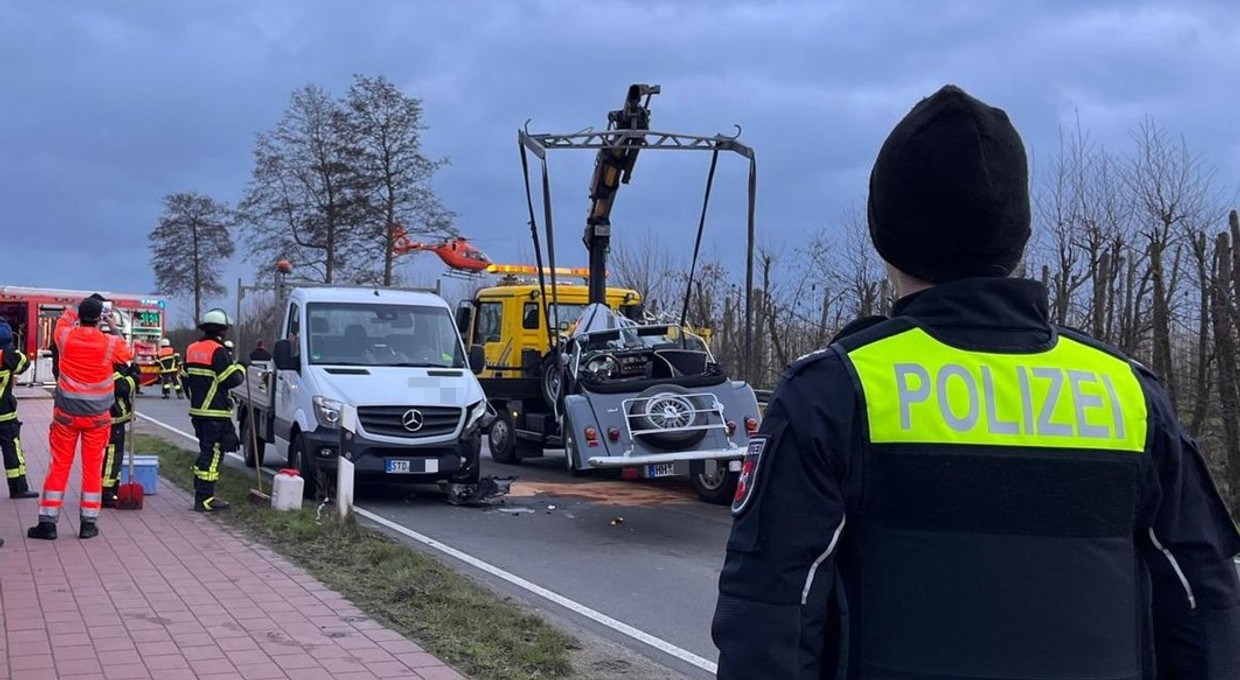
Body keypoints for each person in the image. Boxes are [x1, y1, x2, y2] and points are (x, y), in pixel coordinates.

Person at [711, 85, 1240, 679]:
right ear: (1018, 234)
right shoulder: (1131, 396)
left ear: (886, 234)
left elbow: (769, 623)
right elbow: (1206, 611)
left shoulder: (836, 391)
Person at [28, 294, 132, 540]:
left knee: (59, 466)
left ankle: (48, 523)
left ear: (80, 316)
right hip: (97, 418)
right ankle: (88, 524)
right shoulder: (109, 343)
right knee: (92, 469)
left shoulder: (65, 337)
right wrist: (114, 328)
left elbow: (64, 319)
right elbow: (125, 355)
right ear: (99, 318)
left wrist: (77, 305)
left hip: (66, 416)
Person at [182, 308, 244, 513]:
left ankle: (200, 491)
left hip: (198, 411)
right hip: (215, 412)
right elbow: (231, 380)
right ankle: (205, 498)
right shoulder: (218, 351)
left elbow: (184, 377)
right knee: (214, 453)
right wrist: (242, 367)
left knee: (205, 450)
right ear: (222, 331)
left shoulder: (191, 348)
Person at [0, 319, 39, 499]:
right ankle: (18, 488)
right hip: (5, 415)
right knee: (12, 452)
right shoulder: (10, 358)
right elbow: (25, 362)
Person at [101, 360, 139, 508]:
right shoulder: (106, 364)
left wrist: (128, 373)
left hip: (111, 419)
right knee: (112, 456)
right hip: (112, 420)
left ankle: (112, 486)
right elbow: (122, 388)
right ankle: (106, 492)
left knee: (114, 457)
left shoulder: (105, 363)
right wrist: (134, 377)